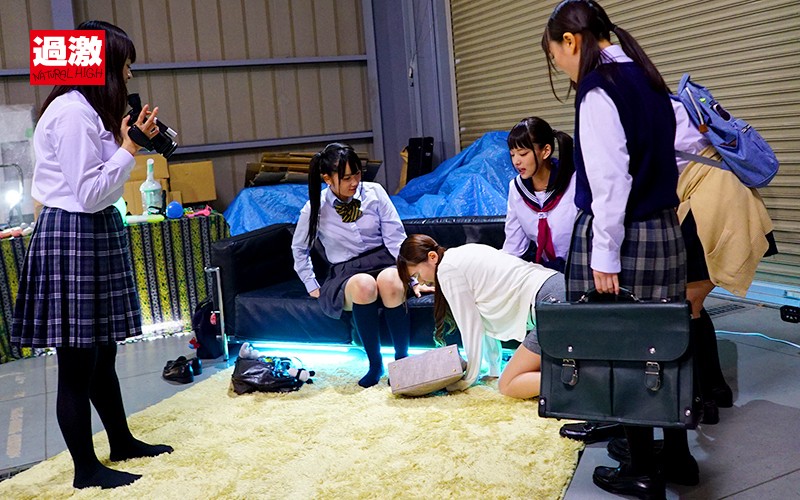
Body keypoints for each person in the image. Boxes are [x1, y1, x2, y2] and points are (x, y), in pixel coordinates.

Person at [542, 1, 695, 498]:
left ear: (571, 41)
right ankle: (678, 457)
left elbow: (611, 183)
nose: (561, 67)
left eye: (556, 56)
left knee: (626, 347)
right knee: (666, 343)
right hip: (664, 230)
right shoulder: (647, 76)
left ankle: (642, 469)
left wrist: (604, 254)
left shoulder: (598, 90)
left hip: (625, 236)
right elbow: (682, 147)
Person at [11, 21, 172, 489]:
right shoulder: (70, 114)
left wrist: (126, 140)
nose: (130, 76)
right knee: (76, 363)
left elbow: (101, 180)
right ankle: (86, 470)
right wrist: (128, 147)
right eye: (125, 66)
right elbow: (88, 193)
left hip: (92, 230)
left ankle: (120, 442)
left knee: (103, 352)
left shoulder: (87, 111)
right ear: (102, 68)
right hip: (72, 232)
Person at [291, 143, 410, 388]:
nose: (355, 182)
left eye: (357, 174)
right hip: (347, 271)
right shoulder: (315, 207)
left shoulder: (375, 192)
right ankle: (375, 364)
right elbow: (299, 248)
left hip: (383, 260)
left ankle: (403, 362)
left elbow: (396, 238)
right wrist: (311, 283)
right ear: (327, 179)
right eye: (346, 178)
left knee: (390, 281)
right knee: (364, 285)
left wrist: (413, 276)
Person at [397, 234, 564, 398]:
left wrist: (468, 378)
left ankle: (577, 380)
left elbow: (471, 326)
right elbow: (484, 320)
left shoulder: (447, 269)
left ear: (432, 257)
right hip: (558, 289)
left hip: (552, 306)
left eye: (417, 275)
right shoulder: (461, 254)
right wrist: (493, 370)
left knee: (507, 384)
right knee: (521, 375)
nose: (421, 282)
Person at [503, 116, 578, 272]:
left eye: (523, 154)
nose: (516, 162)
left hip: (580, 267)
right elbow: (513, 247)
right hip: (544, 271)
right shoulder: (516, 188)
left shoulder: (574, 181)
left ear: (545, 151)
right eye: (512, 154)